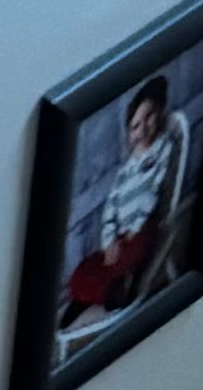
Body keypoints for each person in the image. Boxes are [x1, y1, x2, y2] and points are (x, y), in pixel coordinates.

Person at [63, 68, 191, 326]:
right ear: (129, 132)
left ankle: (119, 290)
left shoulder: (162, 149)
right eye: (135, 125)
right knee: (89, 268)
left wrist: (135, 226)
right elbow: (111, 206)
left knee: (125, 258)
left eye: (149, 117)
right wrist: (110, 239)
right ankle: (82, 300)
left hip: (142, 228)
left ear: (160, 114)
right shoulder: (125, 171)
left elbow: (153, 191)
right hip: (120, 236)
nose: (142, 128)